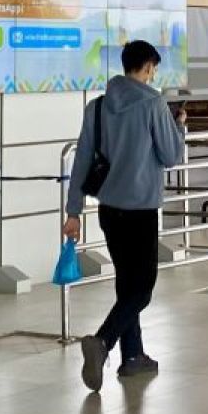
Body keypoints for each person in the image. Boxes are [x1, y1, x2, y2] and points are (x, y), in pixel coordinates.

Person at [64, 40, 186, 391]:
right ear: (147, 67)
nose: (153, 75)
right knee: (142, 289)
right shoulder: (153, 103)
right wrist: (178, 126)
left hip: (109, 211)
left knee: (127, 283)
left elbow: (82, 160)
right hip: (141, 211)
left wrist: (73, 211)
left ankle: (133, 356)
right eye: (153, 69)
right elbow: (171, 156)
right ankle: (102, 341)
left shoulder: (98, 107)